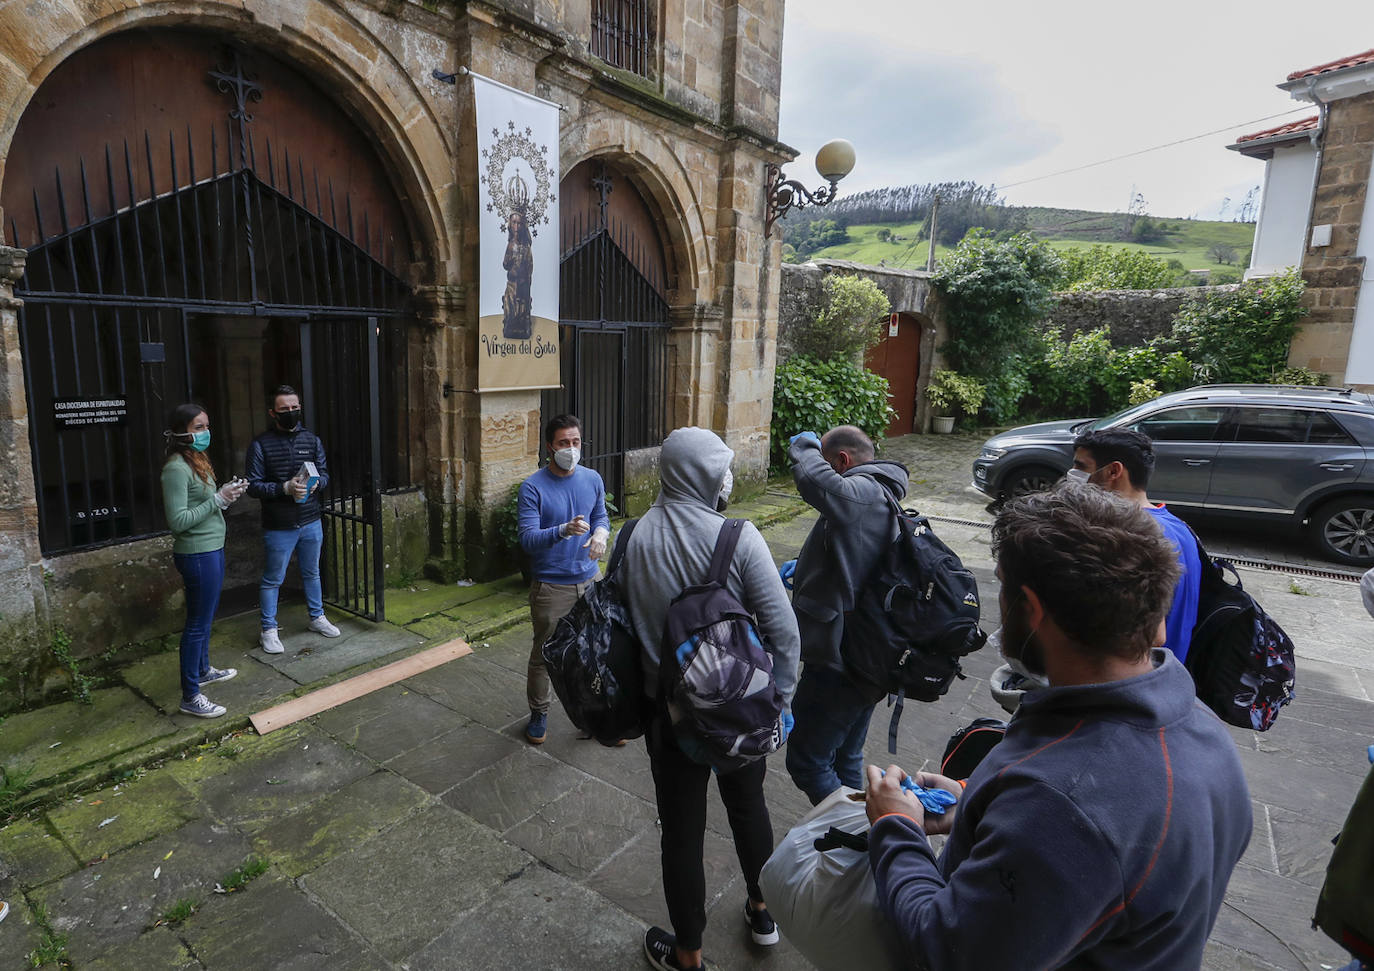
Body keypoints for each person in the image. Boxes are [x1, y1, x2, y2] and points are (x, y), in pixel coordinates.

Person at [863, 482, 1252, 969]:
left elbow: (946, 948)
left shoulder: (1059, 805)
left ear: (1032, 607)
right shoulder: (1205, 732)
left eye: (1002, 585)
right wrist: (978, 814)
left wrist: (896, 828)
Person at [619, 426, 800, 971]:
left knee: (681, 833)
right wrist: (781, 704)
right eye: (721, 466)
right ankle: (763, 912)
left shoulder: (630, 539)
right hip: (740, 713)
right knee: (748, 808)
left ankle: (688, 954)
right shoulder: (738, 539)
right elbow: (785, 633)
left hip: (668, 722)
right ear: (700, 475)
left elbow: (620, 631)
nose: (726, 477)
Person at [782, 425, 910, 804]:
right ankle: (855, 839)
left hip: (843, 662)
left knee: (808, 762)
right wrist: (807, 568)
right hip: (868, 655)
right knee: (845, 757)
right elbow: (854, 559)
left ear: (842, 460)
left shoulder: (866, 493)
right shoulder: (880, 493)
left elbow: (812, 479)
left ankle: (855, 833)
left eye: (827, 462)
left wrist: (804, 445)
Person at [516, 414, 610, 745]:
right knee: (545, 654)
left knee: (594, 651)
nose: (570, 449)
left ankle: (593, 714)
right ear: (549, 447)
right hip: (551, 586)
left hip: (589, 578)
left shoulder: (592, 478)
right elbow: (527, 539)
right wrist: (563, 530)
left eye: (575, 442)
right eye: (563, 443)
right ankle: (540, 712)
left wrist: (601, 533)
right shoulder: (533, 488)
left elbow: (601, 514)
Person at [1071, 427, 1201, 662]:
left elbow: (1150, 634)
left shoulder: (1127, 534)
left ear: (1113, 471)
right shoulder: (1180, 529)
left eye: (1081, 467)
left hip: (1129, 675)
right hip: (1168, 673)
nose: (1072, 474)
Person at [161, 403, 246, 718]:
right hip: (196, 552)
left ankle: (203, 669)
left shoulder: (196, 459)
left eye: (206, 426)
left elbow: (206, 503)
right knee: (196, 624)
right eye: (199, 427)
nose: (205, 432)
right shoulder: (175, 468)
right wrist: (216, 501)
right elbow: (178, 520)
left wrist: (225, 494)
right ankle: (190, 695)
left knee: (206, 616)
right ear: (181, 431)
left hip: (212, 546)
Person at [245, 385, 338, 654]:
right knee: (273, 578)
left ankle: (317, 618)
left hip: (310, 519)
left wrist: (316, 485)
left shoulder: (312, 440)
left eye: (294, 408)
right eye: (284, 409)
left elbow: (325, 475)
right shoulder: (260, 444)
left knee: (312, 572)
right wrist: (284, 488)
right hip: (279, 524)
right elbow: (253, 485)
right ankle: (269, 630)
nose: (290, 413)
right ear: (273, 413)